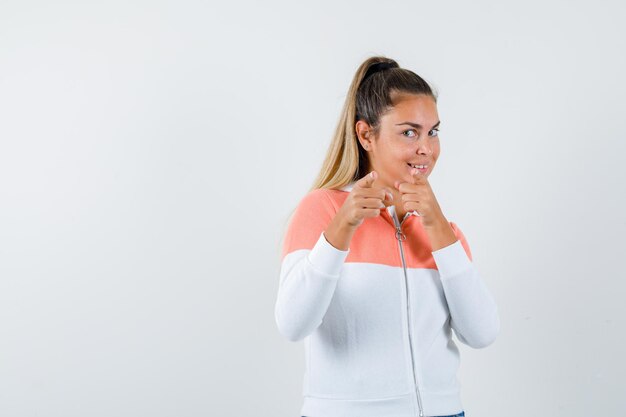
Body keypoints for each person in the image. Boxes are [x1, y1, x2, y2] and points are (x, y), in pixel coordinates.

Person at [274, 56, 500, 417]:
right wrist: (341, 231)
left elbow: (482, 333)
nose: (426, 147)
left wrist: (439, 227)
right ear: (366, 134)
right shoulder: (323, 210)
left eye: (433, 132)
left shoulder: (444, 231)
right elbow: (293, 323)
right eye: (409, 132)